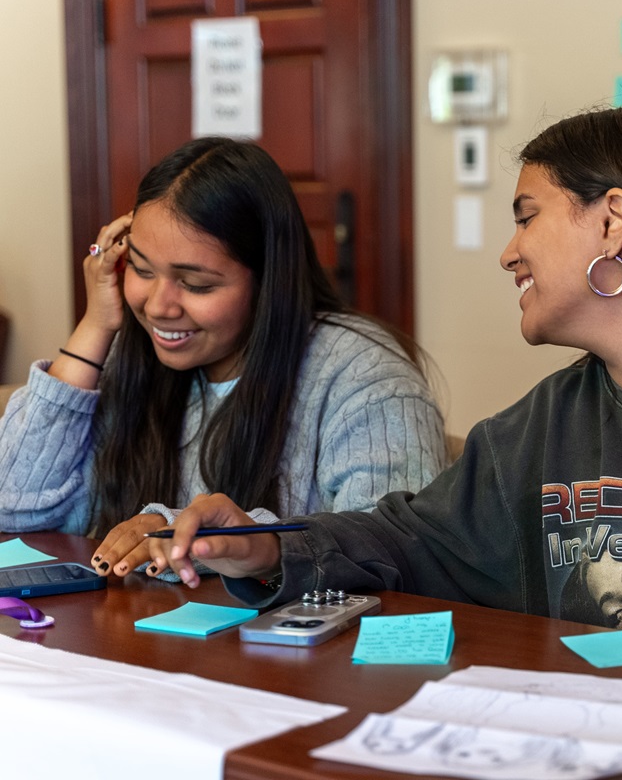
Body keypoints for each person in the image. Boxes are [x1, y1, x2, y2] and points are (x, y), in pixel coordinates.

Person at [145, 104, 622, 656]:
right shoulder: (545, 427)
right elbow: (407, 539)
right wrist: (263, 549)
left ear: (611, 221)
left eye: (526, 216)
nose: (508, 253)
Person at [0, 137, 446, 577]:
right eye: (141, 269)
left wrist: (197, 537)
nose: (158, 306)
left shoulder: (366, 377)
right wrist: (94, 326)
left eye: (196, 285)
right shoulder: (131, 353)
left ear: (269, 280)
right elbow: (13, 509)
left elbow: (397, 553)